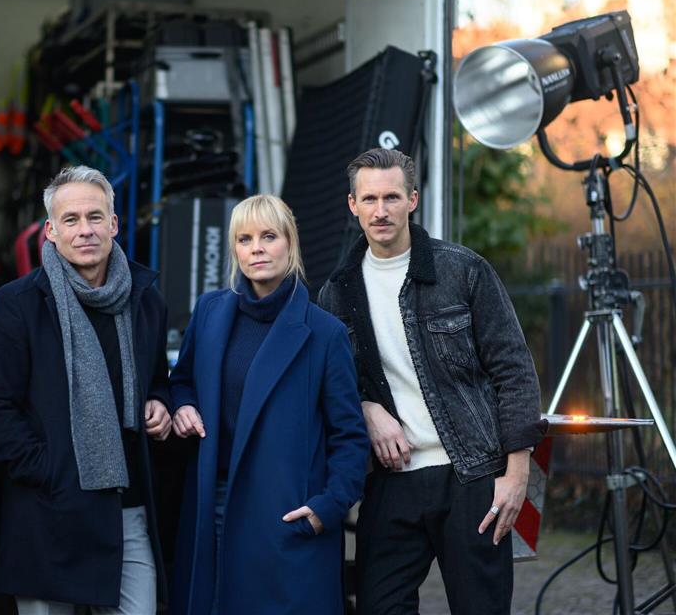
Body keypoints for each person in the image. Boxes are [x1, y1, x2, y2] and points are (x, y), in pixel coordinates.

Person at [318, 148, 546, 614]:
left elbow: (513, 368)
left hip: (472, 475)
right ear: (352, 205)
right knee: (379, 606)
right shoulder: (336, 293)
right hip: (392, 480)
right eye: (369, 199)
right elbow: (331, 386)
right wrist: (368, 409)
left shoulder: (462, 270)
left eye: (391, 197)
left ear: (413, 199)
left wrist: (516, 474)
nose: (380, 211)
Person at [0, 166, 173, 615]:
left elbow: (157, 376)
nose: (85, 230)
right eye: (72, 219)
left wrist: (160, 400)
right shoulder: (18, 304)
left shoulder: (146, 300)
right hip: (48, 510)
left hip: (126, 510)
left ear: (114, 224)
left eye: (95, 217)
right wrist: (50, 469)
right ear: (51, 231)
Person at [170, 194, 369, 615]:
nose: (256, 247)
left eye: (268, 236)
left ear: (290, 244)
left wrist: (327, 508)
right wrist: (182, 405)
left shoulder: (324, 333)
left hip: (285, 513)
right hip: (213, 505)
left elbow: (349, 438)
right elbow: (182, 382)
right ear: (234, 250)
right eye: (244, 239)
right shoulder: (209, 312)